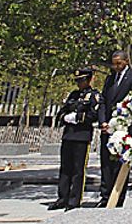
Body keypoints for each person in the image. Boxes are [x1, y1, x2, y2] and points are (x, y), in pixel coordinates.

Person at [50, 68, 101, 211]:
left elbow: (93, 115)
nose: (80, 83)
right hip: (68, 135)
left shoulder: (93, 96)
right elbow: (62, 111)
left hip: (82, 136)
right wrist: (65, 117)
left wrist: (78, 118)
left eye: (82, 80)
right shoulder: (73, 95)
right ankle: (62, 198)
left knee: (78, 170)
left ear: (89, 80)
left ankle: (74, 200)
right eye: (78, 81)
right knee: (65, 168)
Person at [97, 51, 132, 207]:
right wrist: (103, 121)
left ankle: (117, 197)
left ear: (126, 61)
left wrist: (118, 121)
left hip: (123, 126)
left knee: (119, 163)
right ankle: (105, 196)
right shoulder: (110, 79)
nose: (116, 66)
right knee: (105, 163)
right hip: (107, 127)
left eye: (119, 63)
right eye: (113, 63)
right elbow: (103, 101)